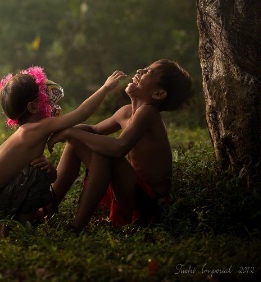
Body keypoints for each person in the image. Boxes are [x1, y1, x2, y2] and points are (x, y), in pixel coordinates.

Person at [47, 59, 194, 231]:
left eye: (149, 72)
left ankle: (75, 226)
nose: (140, 70)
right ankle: (46, 207)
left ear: (159, 94)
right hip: (127, 192)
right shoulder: (125, 112)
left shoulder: (148, 113)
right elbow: (94, 130)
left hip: (149, 204)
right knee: (77, 140)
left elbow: (118, 148)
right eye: (145, 68)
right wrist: (64, 130)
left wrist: (70, 132)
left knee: (104, 153)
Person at [0, 66, 126, 222]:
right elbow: (81, 114)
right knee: (37, 173)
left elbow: (52, 177)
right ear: (33, 106)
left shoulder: (26, 132)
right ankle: (22, 222)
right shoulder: (37, 128)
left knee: (39, 170)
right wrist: (105, 88)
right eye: (45, 96)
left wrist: (49, 168)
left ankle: (23, 217)